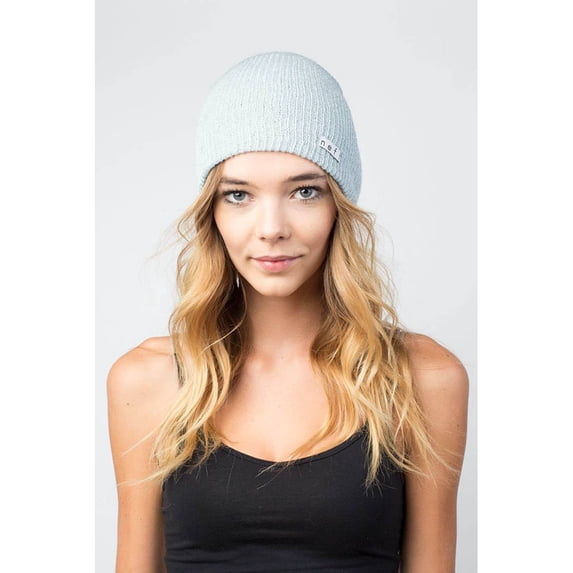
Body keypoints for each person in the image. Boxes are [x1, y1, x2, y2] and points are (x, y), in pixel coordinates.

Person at [107, 51, 469, 572]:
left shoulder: (421, 379)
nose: (272, 228)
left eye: (304, 191)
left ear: (339, 205)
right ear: (212, 212)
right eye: (239, 195)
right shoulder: (147, 381)